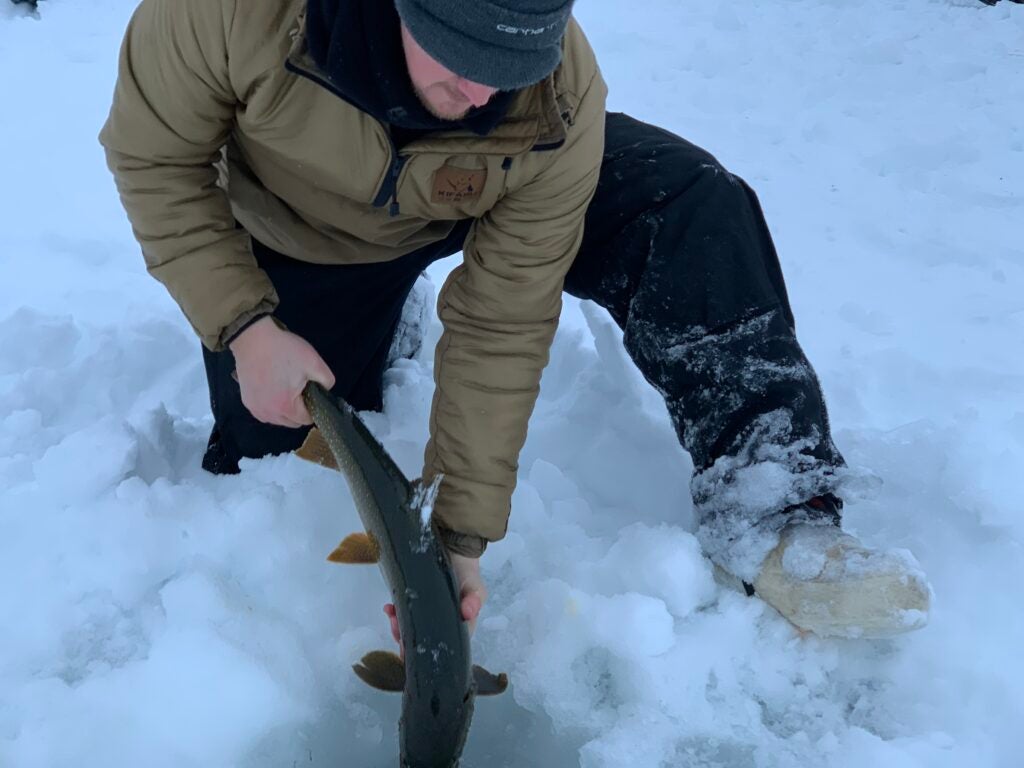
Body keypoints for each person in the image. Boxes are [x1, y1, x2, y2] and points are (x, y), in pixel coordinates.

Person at [100, 0, 931, 643]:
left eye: (509, 65)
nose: (481, 94)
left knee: (687, 205)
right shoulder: (235, 15)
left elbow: (504, 315)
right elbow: (152, 156)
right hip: (306, 232)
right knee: (271, 450)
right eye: (460, 62)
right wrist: (245, 326)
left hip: (487, 193)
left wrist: (457, 532)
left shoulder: (553, 95)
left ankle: (773, 506)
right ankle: (381, 317)